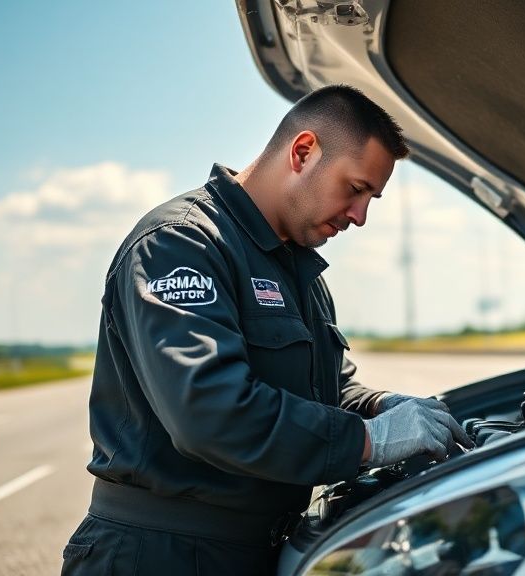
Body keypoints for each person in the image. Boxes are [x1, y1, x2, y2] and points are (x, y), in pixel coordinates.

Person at [61, 85, 472, 575]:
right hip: (162, 553)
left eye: (372, 198)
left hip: (257, 549)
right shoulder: (182, 245)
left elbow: (328, 390)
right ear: (303, 152)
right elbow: (211, 412)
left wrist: (387, 407)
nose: (361, 217)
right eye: (357, 189)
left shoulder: (297, 270)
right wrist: (369, 440)